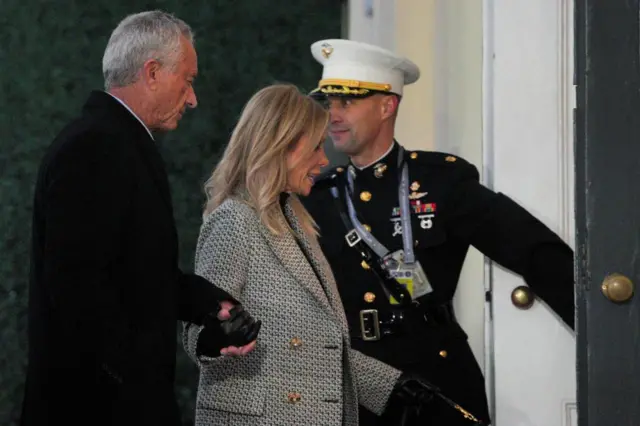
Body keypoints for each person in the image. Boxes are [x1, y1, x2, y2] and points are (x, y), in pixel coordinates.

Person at [302, 39, 575, 426]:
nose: (333, 114)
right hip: (352, 385)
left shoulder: (440, 182)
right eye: (329, 102)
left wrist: (604, 324)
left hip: (435, 376)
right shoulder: (315, 196)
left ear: (387, 105)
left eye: (347, 101)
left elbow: (530, 249)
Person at [22, 11, 260, 426]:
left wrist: (209, 303)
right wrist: (129, 384)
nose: (192, 98)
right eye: (187, 80)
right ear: (152, 73)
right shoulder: (97, 147)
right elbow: (75, 285)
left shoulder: (114, 141)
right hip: (98, 409)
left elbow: (136, 273)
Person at [182, 83, 457, 426]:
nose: (324, 160)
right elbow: (196, 332)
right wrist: (216, 337)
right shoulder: (234, 219)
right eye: (315, 147)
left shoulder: (296, 220)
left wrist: (394, 387)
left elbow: (318, 347)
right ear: (282, 147)